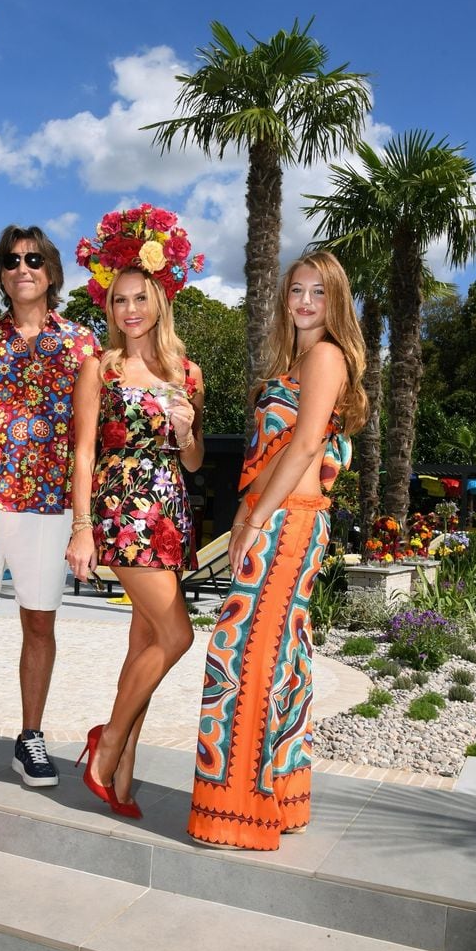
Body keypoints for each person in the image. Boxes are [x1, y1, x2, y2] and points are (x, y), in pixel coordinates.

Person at [188, 250, 368, 850]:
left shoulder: (324, 356)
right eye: (297, 290)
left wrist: (254, 518)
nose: (306, 302)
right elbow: (269, 459)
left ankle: (239, 811)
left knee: (243, 651)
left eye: (319, 292)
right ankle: (280, 800)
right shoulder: (297, 359)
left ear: (336, 301)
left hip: (288, 522)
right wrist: (243, 515)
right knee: (283, 657)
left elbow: (305, 447)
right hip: (282, 518)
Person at [68, 204, 205, 817]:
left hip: (170, 510)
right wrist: (80, 529)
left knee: (144, 647)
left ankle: (123, 777)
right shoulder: (102, 367)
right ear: (109, 306)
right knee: (177, 635)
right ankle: (107, 743)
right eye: (119, 300)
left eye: (139, 299)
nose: (129, 310)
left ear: (158, 302)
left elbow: (196, 463)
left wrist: (186, 430)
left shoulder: (186, 371)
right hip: (122, 512)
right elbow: (83, 451)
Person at [0, 225, 100, 787]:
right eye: (10, 260)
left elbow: (86, 442)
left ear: (50, 271)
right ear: (1, 274)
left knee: (39, 624)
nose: (21, 267)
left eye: (32, 259)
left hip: (47, 506)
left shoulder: (81, 343)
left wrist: (82, 524)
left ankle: (30, 737)